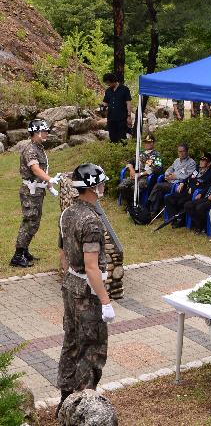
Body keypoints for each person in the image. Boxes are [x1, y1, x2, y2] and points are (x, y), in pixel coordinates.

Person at [56, 164, 114, 411]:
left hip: (70, 285)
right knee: (91, 348)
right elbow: (91, 267)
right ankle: (84, 405)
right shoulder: (90, 221)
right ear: (93, 187)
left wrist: (71, 276)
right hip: (87, 292)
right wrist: (105, 301)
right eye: (101, 184)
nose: (103, 187)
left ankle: (65, 400)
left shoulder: (68, 213)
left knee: (71, 341)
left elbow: (62, 253)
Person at [11, 119, 59, 268]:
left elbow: (42, 171)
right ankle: (17, 256)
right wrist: (50, 179)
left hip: (37, 191)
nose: (46, 133)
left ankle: (24, 251)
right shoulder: (31, 149)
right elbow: (35, 170)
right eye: (44, 131)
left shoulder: (39, 147)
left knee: (34, 223)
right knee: (29, 222)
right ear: (36, 132)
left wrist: (49, 186)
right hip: (30, 192)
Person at [165, 152, 211, 227]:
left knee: (181, 202)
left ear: (208, 164)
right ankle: (174, 219)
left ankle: (181, 221)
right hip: (187, 191)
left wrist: (193, 188)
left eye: (203, 161)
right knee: (168, 198)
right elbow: (189, 177)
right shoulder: (197, 170)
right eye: (201, 160)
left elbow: (207, 187)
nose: (201, 162)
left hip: (195, 194)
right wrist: (183, 182)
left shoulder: (210, 174)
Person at [146, 143, 196, 215]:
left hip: (179, 185)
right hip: (170, 182)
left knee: (158, 186)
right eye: (179, 151)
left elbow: (188, 175)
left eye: (183, 151)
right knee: (159, 189)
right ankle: (154, 211)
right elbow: (171, 168)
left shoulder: (191, 163)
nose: (181, 153)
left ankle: (149, 204)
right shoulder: (177, 160)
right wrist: (167, 174)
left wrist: (175, 176)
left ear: (187, 151)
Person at [116, 134, 163, 207]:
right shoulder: (140, 153)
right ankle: (130, 204)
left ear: (153, 143)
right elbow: (130, 163)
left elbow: (156, 169)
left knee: (134, 188)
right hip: (135, 176)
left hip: (146, 178)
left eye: (149, 142)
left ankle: (135, 206)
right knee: (122, 186)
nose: (147, 144)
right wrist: (132, 171)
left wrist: (140, 174)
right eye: (145, 142)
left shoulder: (157, 155)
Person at [102, 72, 132, 143]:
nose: (107, 84)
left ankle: (122, 152)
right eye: (106, 83)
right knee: (112, 137)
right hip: (111, 118)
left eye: (108, 83)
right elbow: (105, 102)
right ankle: (114, 151)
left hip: (122, 117)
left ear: (113, 80)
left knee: (122, 137)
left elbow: (128, 103)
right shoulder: (108, 91)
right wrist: (102, 108)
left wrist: (129, 116)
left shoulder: (124, 89)